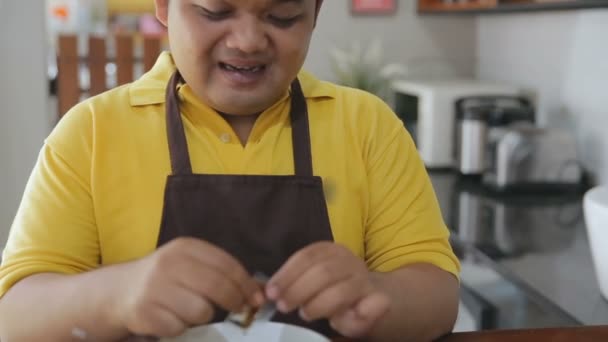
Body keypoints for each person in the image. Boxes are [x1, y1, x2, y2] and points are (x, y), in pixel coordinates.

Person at [0, 0, 460, 341]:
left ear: (316, 12)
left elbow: (438, 296)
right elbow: (14, 317)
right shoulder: (92, 133)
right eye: (215, 10)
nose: (247, 41)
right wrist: (116, 294)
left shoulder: (366, 125)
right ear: (164, 7)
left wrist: (380, 295)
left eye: (282, 17)